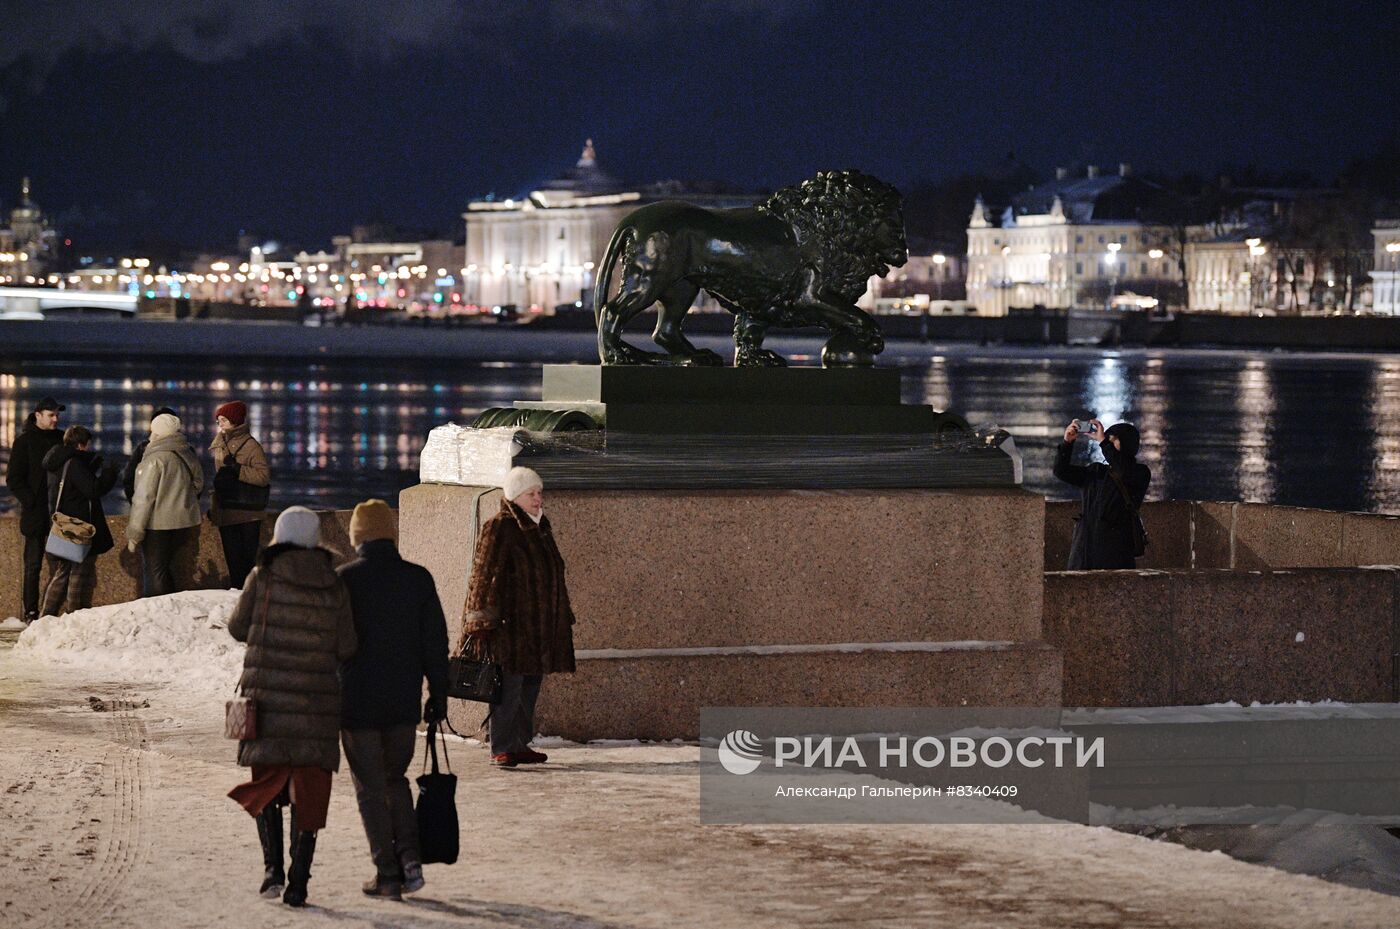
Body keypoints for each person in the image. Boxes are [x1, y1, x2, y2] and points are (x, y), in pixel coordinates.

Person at [227, 507, 356, 908]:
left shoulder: (262, 577)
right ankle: (299, 880)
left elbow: (235, 627)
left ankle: (272, 872)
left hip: (266, 700)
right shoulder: (333, 584)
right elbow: (347, 646)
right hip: (316, 703)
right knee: (310, 791)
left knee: (267, 783)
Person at [338, 499, 448, 899]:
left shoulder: (344, 580)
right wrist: (439, 694)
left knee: (369, 786)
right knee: (395, 779)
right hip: (403, 702)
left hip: (357, 703)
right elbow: (435, 643)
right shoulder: (418, 579)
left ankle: (387, 872)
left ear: (357, 536)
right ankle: (411, 859)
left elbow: (334, 644)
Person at [461, 466, 576, 767]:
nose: (538, 499)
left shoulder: (540, 527)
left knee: (529, 684)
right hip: (508, 627)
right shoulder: (500, 527)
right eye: (531, 494)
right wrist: (479, 622)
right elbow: (483, 576)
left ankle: (519, 743)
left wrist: (560, 614)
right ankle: (501, 745)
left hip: (537, 625)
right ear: (515, 497)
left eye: (540, 493)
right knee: (507, 687)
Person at [40, 426, 118, 616]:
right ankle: (73, 615)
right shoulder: (74, 463)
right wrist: (109, 473)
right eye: (87, 444)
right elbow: (92, 489)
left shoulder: (59, 461)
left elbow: (71, 487)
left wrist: (90, 466)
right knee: (77, 571)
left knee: (63, 571)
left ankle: (46, 617)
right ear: (81, 444)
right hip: (77, 525)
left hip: (64, 522)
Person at [1054, 419, 1152, 570]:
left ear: (1127, 443)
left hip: (1115, 551)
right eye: (1108, 439)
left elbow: (1123, 472)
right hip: (1084, 550)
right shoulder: (1097, 471)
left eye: (1114, 439)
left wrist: (1103, 442)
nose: (1109, 442)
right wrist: (1067, 443)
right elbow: (1061, 471)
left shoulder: (1140, 472)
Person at [127, 412, 203, 596]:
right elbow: (198, 485)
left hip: (158, 524)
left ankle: (156, 607)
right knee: (167, 568)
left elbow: (143, 498)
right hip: (184, 523)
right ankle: (169, 606)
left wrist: (135, 532)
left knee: (154, 571)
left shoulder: (155, 459)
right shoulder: (186, 454)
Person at [4, 396, 65, 623]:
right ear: (38, 415)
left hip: (60, 513)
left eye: (57, 414)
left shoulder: (62, 439)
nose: (55, 419)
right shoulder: (24, 442)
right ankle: (30, 611)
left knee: (63, 563)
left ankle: (57, 609)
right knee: (33, 564)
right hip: (36, 513)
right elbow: (14, 478)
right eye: (51, 415)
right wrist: (30, 501)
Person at [209, 401, 270, 588]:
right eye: (218, 420)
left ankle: (249, 599)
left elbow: (263, 476)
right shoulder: (220, 444)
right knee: (233, 564)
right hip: (227, 510)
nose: (220, 424)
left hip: (248, 513)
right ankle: (238, 600)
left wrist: (238, 469)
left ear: (235, 421)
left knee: (247, 563)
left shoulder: (251, 446)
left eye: (224, 420)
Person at [121, 406, 178, 503]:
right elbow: (197, 483)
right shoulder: (186, 450)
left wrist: (136, 503)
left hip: (150, 508)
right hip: (180, 511)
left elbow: (129, 479)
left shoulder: (144, 449)